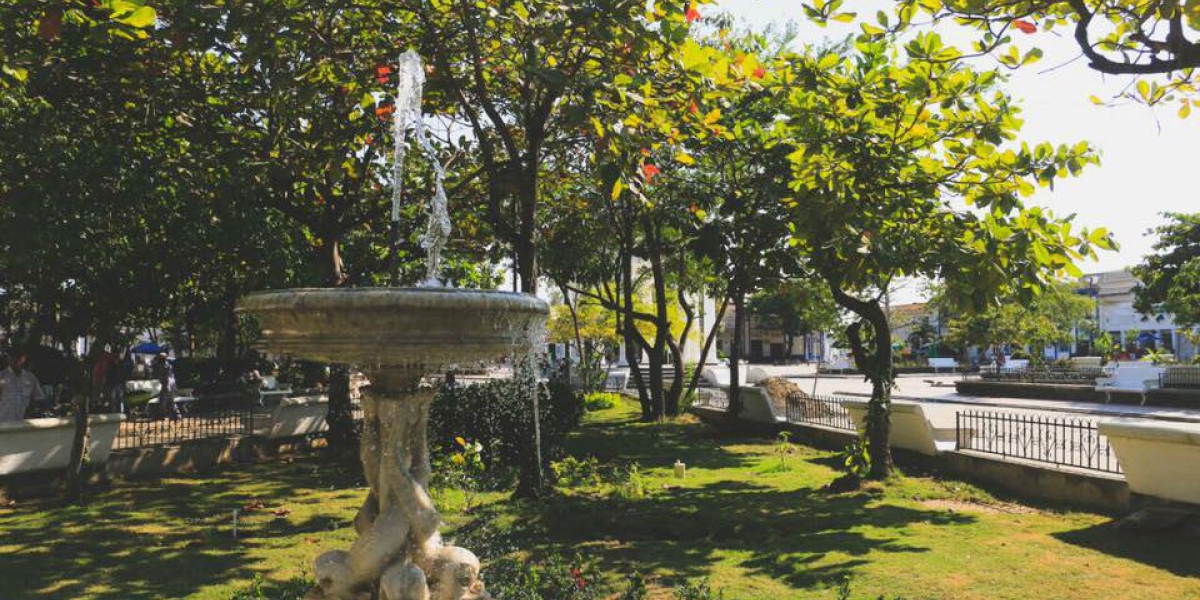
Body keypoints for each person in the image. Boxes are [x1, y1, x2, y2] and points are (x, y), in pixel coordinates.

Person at [0, 350, 45, 422]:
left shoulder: (30, 378)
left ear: (23, 358)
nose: (16, 359)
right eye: (13, 357)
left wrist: (31, 410)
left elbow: (39, 399)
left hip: (24, 425)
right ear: (9, 358)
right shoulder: (2, 376)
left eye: (19, 357)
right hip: (4, 423)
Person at [152, 353, 180, 421]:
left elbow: (165, 376)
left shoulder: (164, 366)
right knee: (170, 401)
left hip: (167, 384)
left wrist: (167, 386)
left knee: (163, 400)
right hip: (171, 383)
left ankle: (162, 415)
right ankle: (177, 415)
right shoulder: (167, 364)